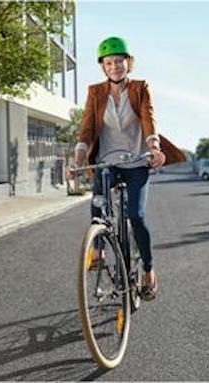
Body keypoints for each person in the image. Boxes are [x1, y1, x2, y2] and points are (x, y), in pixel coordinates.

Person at [68, 36, 185, 300]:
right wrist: (77, 161)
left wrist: (154, 147)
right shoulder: (95, 92)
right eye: (108, 63)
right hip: (107, 162)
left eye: (119, 61)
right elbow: (86, 129)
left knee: (136, 216)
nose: (114, 66)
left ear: (128, 62)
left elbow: (148, 119)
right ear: (103, 67)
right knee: (98, 205)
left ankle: (147, 268)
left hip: (136, 162)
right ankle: (98, 250)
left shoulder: (140, 88)